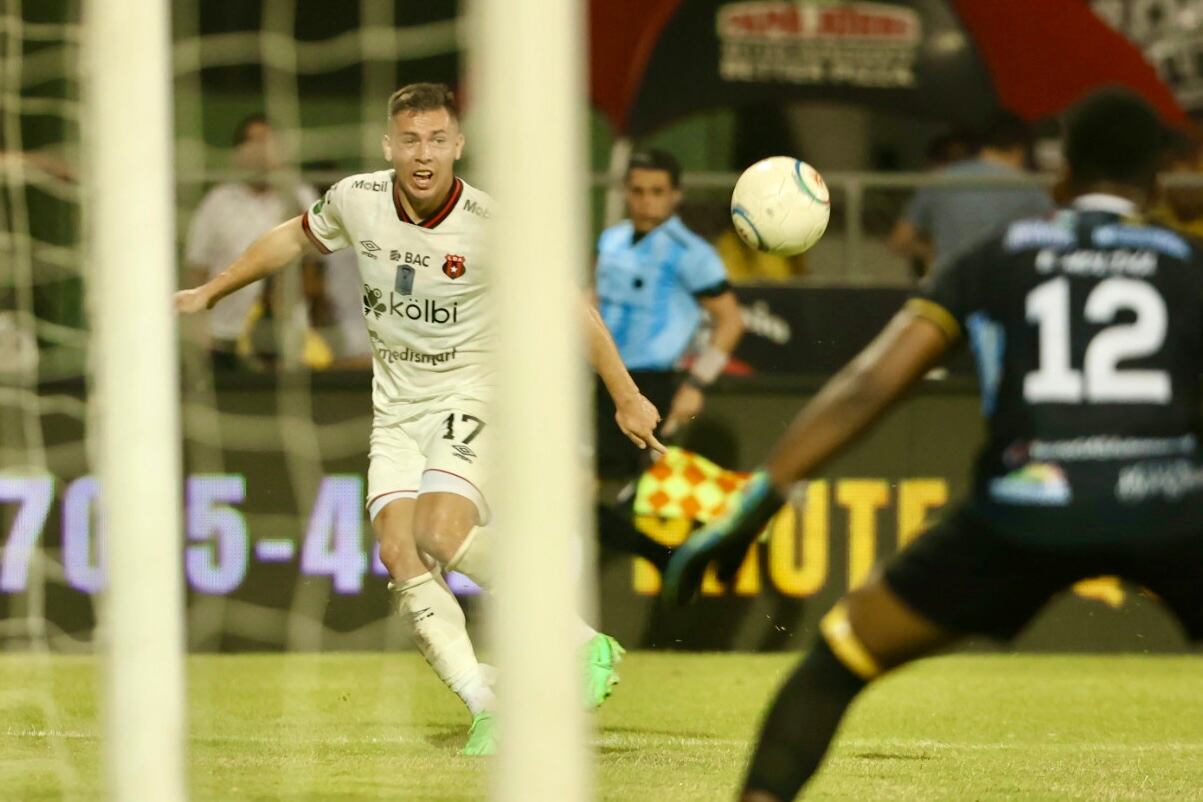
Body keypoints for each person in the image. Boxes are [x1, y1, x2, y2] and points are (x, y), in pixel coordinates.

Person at [663, 88, 1199, 801]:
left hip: (1023, 509)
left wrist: (763, 493)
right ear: (1158, 181)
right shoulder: (1188, 264)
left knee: (836, 660)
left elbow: (869, 385)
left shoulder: (999, 256)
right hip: (1169, 505)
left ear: (1062, 175)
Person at [176, 83, 664, 755]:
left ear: (458, 146)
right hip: (395, 409)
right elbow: (289, 240)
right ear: (389, 146)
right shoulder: (357, 200)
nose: (423, 155)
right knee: (399, 551)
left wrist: (625, 395)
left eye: (437, 140)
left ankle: (580, 642)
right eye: (410, 140)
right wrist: (211, 289)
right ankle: (484, 703)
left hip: (475, 394)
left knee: (439, 531)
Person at [592, 149, 746, 569]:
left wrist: (697, 384)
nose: (646, 201)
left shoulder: (692, 253)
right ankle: (668, 560)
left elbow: (730, 321)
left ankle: (667, 557)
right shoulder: (611, 240)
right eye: (638, 191)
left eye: (657, 191)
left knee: (572, 495)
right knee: (568, 497)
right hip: (604, 380)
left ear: (675, 195)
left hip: (651, 385)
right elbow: (591, 306)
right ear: (626, 192)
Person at [183, 115, 324, 371]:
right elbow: (197, 269)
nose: (262, 152)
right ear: (238, 153)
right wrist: (199, 329)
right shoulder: (218, 202)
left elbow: (315, 270)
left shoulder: (301, 196)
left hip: (286, 337)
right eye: (254, 143)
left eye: (269, 143)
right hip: (225, 336)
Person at [888, 112, 1054, 276]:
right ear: (1019, 150)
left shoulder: (939, 180)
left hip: (945, 288)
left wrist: (930, 251)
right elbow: (1055, 240)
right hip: (1000, 289)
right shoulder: (1028, 188)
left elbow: (899, 241)